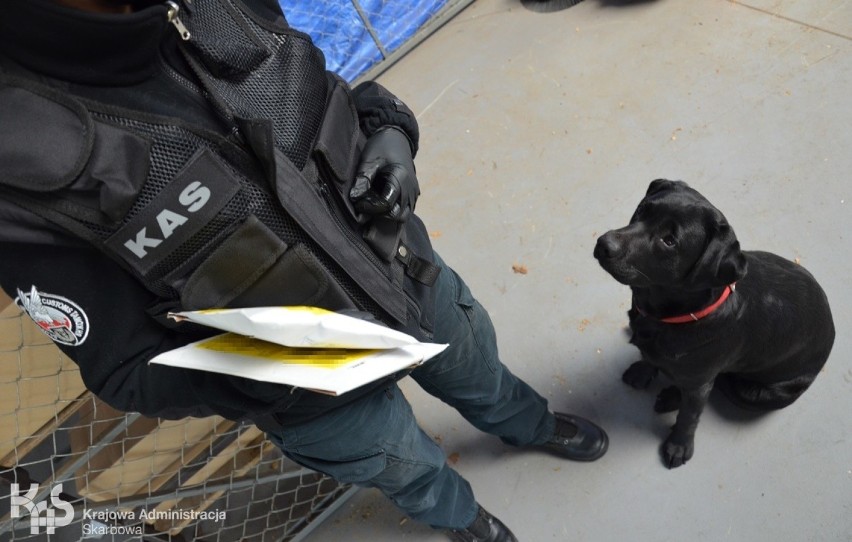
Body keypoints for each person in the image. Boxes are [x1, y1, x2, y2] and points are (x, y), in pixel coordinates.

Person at [0, 1, 608, 540]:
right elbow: (125, 370)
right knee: (407, 467)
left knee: (480, 370)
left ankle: (529, 426)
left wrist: (387, 128)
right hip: (313, 390)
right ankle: (461, 520)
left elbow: (318, 90)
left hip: (406, 273)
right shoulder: (23, 167)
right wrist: (263, 371)